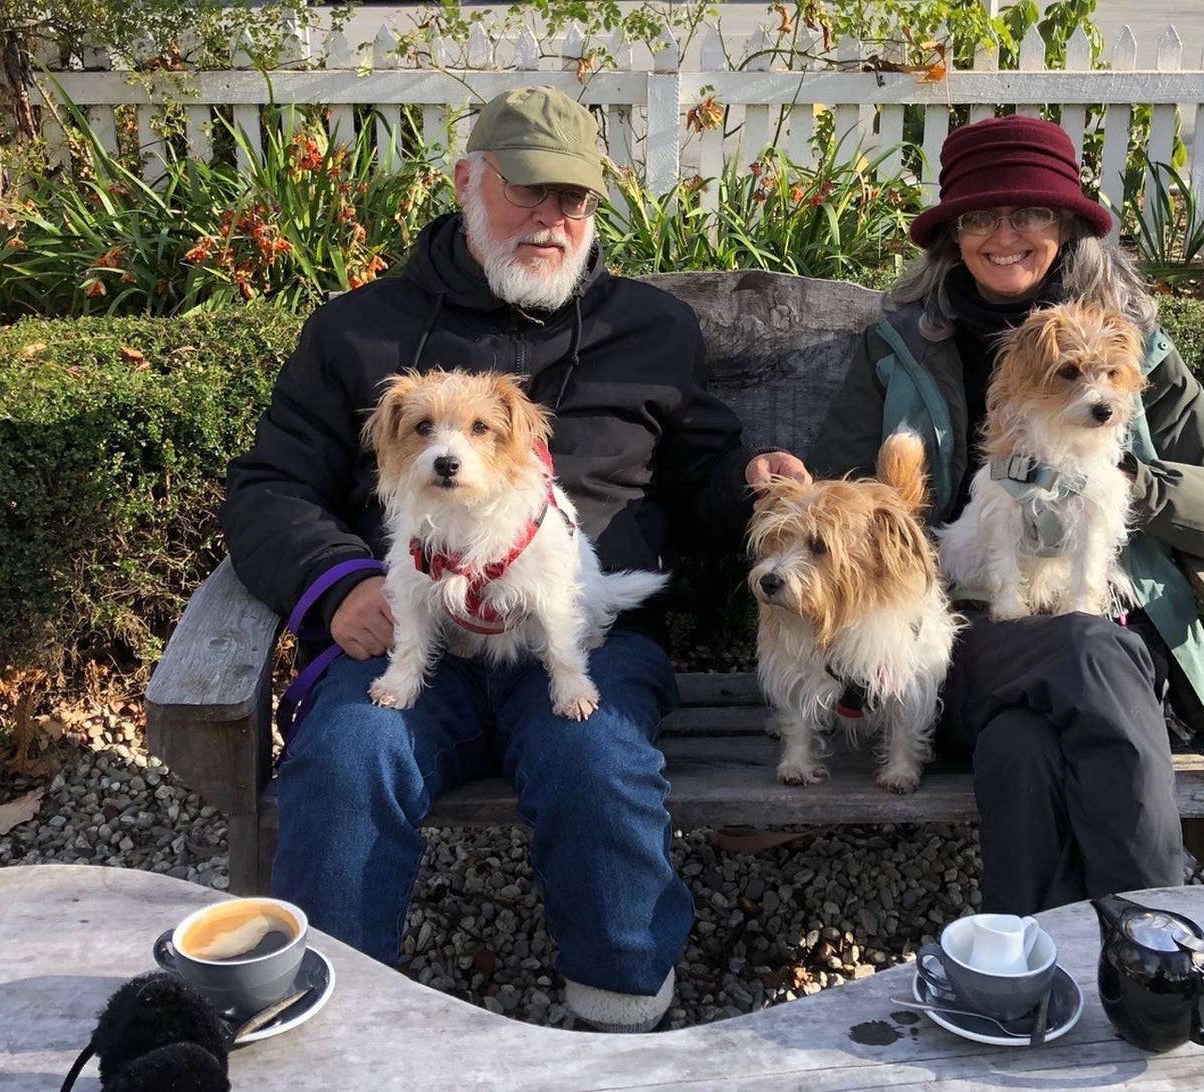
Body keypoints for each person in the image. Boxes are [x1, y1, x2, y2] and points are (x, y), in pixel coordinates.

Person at [220, 86, 807, 1032]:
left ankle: (621, 1017)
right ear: (466, 183)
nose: (552, 217)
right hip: (414, 623)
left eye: (573, 197)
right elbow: (268, 488)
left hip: (580, 630)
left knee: (596, 757)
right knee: (343, 758)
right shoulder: (357, 332)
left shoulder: (651, 330)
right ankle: (322, 1029)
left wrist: (751, 482)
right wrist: (337, 585)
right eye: (528, 190)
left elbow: (699, 477)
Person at [807, 115, 1204, 914]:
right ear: (951, 237)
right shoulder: (899, 347)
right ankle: (1159, 942)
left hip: (1111, 637)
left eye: (1029, 213)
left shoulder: (1137, 352)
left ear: (1064, 227)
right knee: (1075, 653)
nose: (1004, 235)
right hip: (955, 638)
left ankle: (1030, 975)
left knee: (1027, 743)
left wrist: (1124, 475)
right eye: (978, 217)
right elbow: (839, 498)